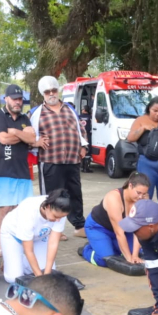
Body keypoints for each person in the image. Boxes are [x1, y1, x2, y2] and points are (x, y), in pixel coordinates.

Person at [30, 76, 90, 238]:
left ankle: (79, 226)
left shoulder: (70, 109)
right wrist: (35, 142)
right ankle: (52, 228)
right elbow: (28, 135)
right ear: (42, 94)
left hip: (72, 159)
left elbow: (81, 130)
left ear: (58, 90)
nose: (51, 94)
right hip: (50, 160)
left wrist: (83, 146)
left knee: (75, 193)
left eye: (54, 90)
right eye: (47, 92)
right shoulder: (36, 113)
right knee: (51, 196)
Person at [0, 84, 36, 259]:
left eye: (20, 99)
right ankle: (1, 244)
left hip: (23, 171)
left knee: (21, 209)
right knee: (6, 208)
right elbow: (3, 139)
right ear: (6, 99)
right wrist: (23, 136)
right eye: (14, 99)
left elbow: (32, 138)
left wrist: (15, 131)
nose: (18, 102)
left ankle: (17, 242)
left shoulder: (25, 118)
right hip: (4, 169)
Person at [0, 190, 70, 283]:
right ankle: (12, 258)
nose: (58, 220)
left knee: (47, 270)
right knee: (14, 278)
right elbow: (29, 250)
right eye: (55, 216)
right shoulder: (28, 209)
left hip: (39, 236)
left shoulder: (61, 211)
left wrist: (47, 275)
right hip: (13, 235)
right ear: (48, 207)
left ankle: (17, 260)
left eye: (61, 217)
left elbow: (53, 243)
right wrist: (40, 279)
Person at [81, 172, 149, 267]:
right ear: (130, 186)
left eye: (144, 194)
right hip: (98, 228)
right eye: (138, 193)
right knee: (106, 259)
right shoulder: (114, 199)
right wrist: (129, 259)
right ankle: (86, 249)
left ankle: (107, 244)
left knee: (140, 250)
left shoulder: (143, 200)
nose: (141, 197)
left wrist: (135, 255)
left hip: (122, 230)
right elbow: (119, 233)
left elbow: (138, 231)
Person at [79, 106, 94, 173]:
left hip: (80, 135)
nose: (82, 110)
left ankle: (82, 166)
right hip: (88, 135)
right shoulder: (91, 117)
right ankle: (86, 167)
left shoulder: (79, 117)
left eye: (83, 109)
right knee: (88, 150)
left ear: (84, 110)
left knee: (81, 149)